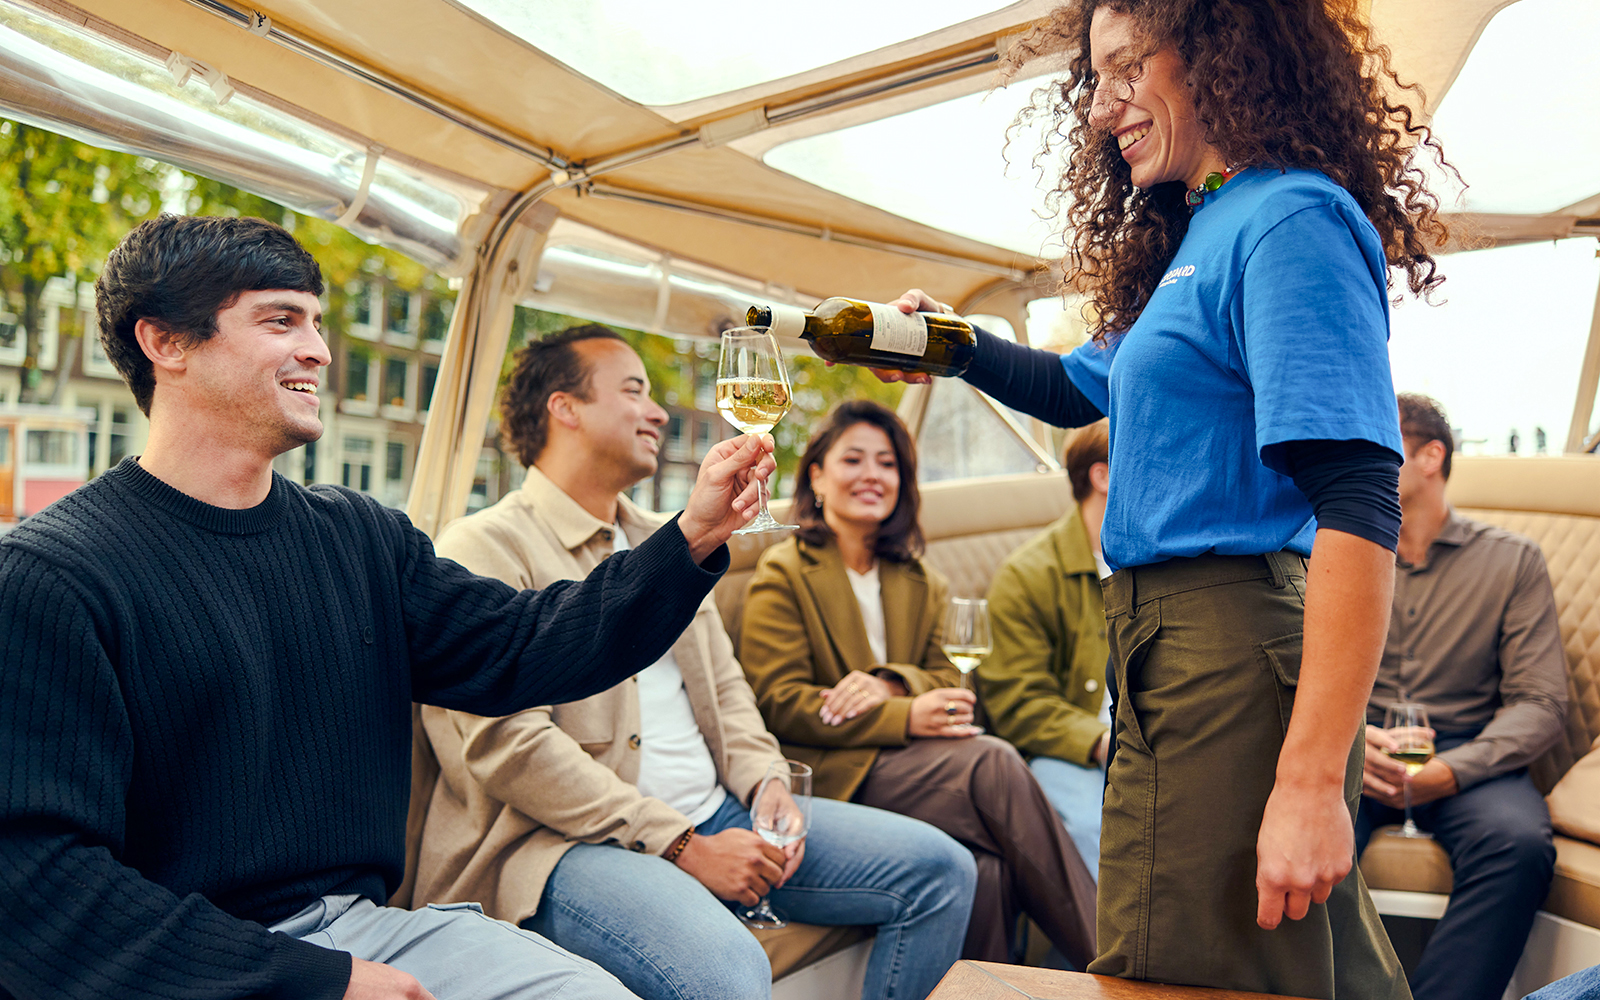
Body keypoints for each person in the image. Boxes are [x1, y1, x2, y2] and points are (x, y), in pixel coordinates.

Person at [0, 215, 777, 1000]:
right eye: (281, 319)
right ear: (165, 343)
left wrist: (693, 535)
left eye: (318, 322)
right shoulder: (51, 579)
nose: (320, 350)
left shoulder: (360, 538)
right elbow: (39, 886)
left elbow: (526, 645)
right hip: (191, 963)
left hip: (369, 926)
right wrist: (316, 982)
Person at [876, 0, 1457, 993]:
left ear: (1221, 54)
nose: (1103, 108)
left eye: (1127, 67)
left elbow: (1360, 497)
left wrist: (1315, 783)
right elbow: (1072, 388)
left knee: (1175, 967)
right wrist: (945, 343)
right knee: (1290, 967)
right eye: (1093, 80)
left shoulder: (1288, 219)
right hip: (1162, 652)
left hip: (1221, 655)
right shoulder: (1202, 232)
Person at [411, 326, 977, 1000]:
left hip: (717, 812)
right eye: (634, 390)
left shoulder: (665, 538)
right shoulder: (484, 545)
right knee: (729, 969)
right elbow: (509, 747)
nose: (656, 411)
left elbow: (727, 690)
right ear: (564, 408)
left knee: (943, 870)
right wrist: (682, 844)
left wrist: (767, 783)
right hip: (557, 846)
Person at [738, 399, 1098, 967]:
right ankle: (1111, 964)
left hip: (918, 766)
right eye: (853, 459)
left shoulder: (919, 578)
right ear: (817, 476)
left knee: (990, 869)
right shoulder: (784, 572)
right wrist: (906, 714)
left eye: (887, 463)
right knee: (994, 762)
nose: (872, 475)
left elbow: (946, 679)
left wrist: (892, 685)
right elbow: (780, 703)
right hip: (838, 772)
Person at [1358, 393, 1566, 1000]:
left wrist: (1451, 770)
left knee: (1519, 845)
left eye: (1378, 444)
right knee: (1284, 822)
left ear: (1431, 456)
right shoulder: (1328, 555)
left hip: (1466, 754)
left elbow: (1542, 703)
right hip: (1358, 745)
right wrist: (1347, 740)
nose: (1360, 459)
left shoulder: (1513, 562)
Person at [979, 421, 1112, 879]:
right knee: (1103, 831)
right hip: (1071, 748)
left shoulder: (1168, 560)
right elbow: (1019, 703)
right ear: (1103, 476)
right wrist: (1099, 741)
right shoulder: (1027, 575)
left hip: (1155, 741)